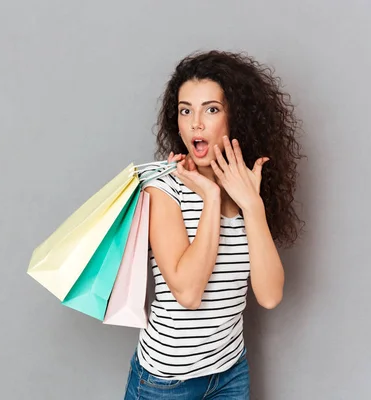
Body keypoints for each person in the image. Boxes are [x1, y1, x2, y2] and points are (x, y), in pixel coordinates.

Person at [124, 50, 304, 399]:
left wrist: (252, 205)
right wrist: (209, 197)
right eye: (185, 110)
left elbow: (269, 296)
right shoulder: (164, 190)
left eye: (211, 109)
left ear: (234, 116)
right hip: (167, 383)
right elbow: (188, 294)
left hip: (230, 373)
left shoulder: (246, 187)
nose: (196, 124)